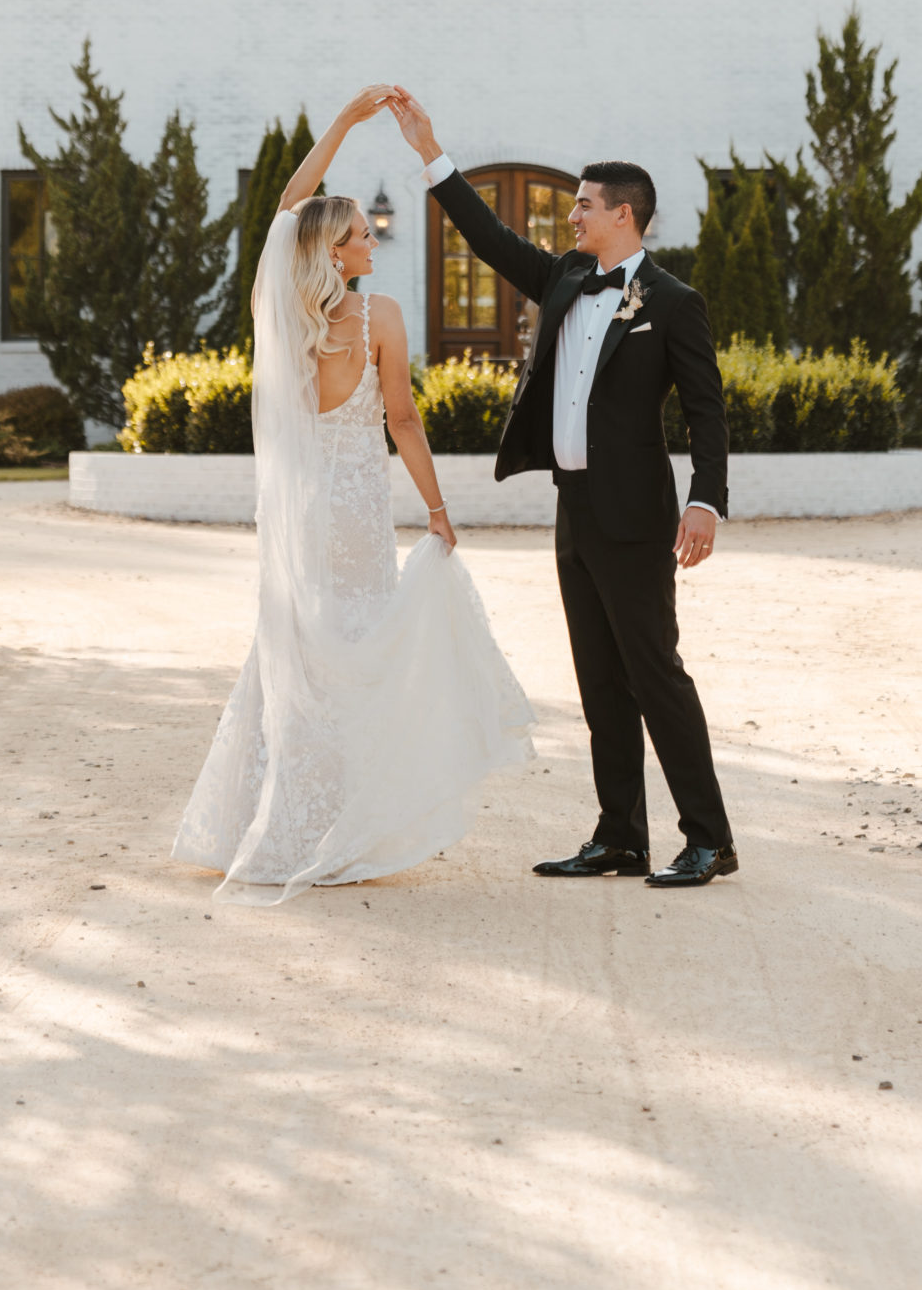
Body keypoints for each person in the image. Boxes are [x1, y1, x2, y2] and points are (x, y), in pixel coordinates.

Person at [172, 88, 532, 905]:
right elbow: (401, 418)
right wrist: (437, 512)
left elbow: (286, 210)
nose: (373, 239)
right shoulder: (380, 317)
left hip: (301, 511)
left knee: (296, 651)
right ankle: (343, 821)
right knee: (357, 655)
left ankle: (259, 823)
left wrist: (341, 123)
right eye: (362, 234)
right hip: (359, 513)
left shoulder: (281, 311)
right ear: (335, 252)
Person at [389, 91, 734, 888]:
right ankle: (620, 836)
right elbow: (487, 238)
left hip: (637, 518)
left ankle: (709, 838)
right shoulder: (565, 279)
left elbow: (706, 414)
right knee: (598, 682)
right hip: (573, 513)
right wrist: (431, 155)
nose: (570, 216)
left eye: (582, 205)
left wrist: (704, 501)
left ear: (623, 215)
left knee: (655, 677)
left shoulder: (673, 305)